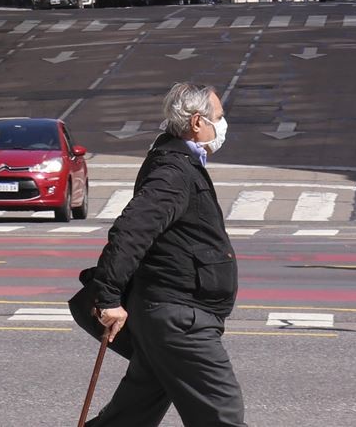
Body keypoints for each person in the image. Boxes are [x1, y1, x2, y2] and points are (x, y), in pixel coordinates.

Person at [81, 83, 245, 427]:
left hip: (167, 314)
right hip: (181, 319)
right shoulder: (174, 171)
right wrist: (108, 295)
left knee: (131, 416)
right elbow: (132, 229)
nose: (223, 125)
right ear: (198, 122)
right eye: (220, 117)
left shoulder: (176, 162)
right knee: (222, 416)